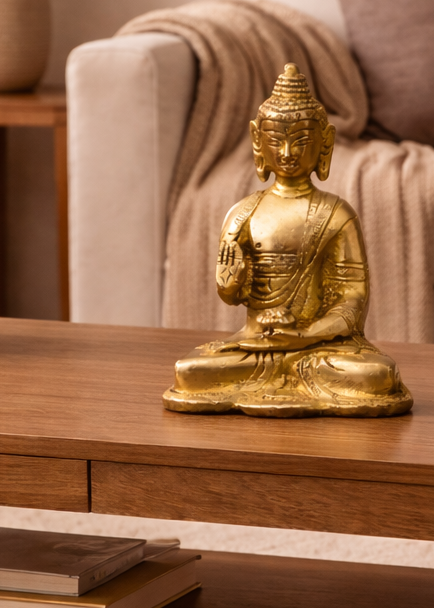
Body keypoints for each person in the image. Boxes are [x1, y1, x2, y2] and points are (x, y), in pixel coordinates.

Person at [164, 63, 412, 417]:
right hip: (254, 344)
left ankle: (295, 367)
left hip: (321, 348)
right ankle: (280, 371)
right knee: (190, 371)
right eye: (275, 140)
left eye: (301, 141)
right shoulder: (242, 214)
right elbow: (232, 295)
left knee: (376, 376)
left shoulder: (337, 214)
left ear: (325, 142)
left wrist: (303, 336)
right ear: (257, 140)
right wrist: (230, 282)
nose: (287, 153)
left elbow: (351, 303)